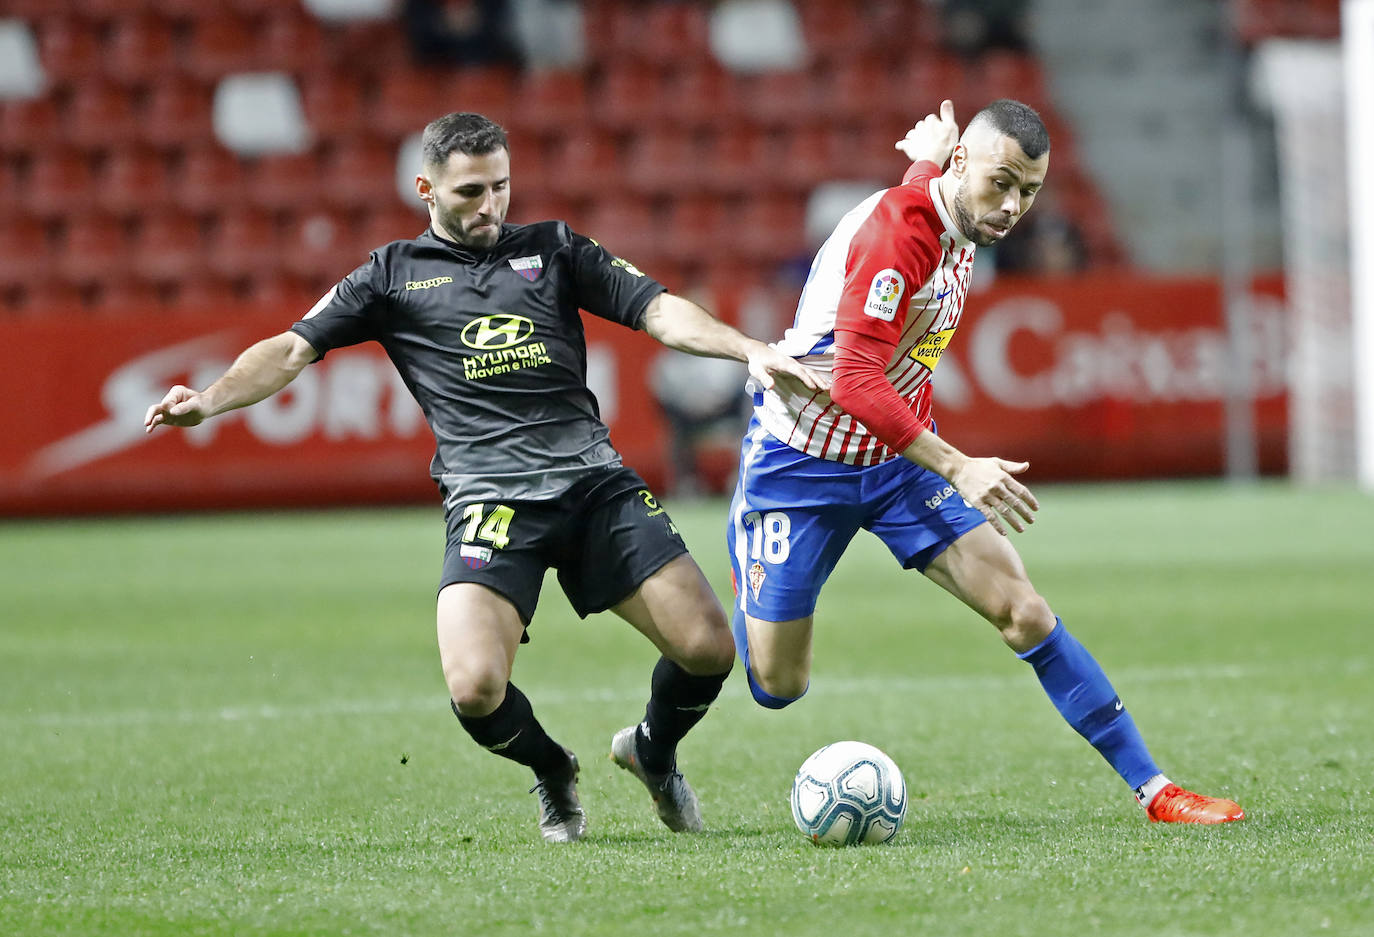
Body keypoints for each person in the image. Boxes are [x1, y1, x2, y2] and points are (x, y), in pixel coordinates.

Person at [144, 112, 827, 844]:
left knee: (708, 649)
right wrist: (209, 400)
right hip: (489, 500)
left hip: (592, 482)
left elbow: (657, 310)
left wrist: (746, 348)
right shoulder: (390, 275)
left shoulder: (555, 248)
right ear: (425, 189)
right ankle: (553, 768)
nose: (491, 206)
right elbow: (289, 348)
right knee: (474, 687)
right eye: (470, 191)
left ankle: (652, 753)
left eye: (501, 187)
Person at [725, 99, 1245, 824]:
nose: (1011, 208)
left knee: (1024, 610)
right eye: (1001, 183)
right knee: (777, 683)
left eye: (1028, 191)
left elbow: (931, 196)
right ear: (963, 164)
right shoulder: (899, 234)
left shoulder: (954, 201)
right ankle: (690, 675)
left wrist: (935, 156)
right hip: (800, 462)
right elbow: (854, 380)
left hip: (897, 461)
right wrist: (960, 465)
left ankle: (1155, 789)